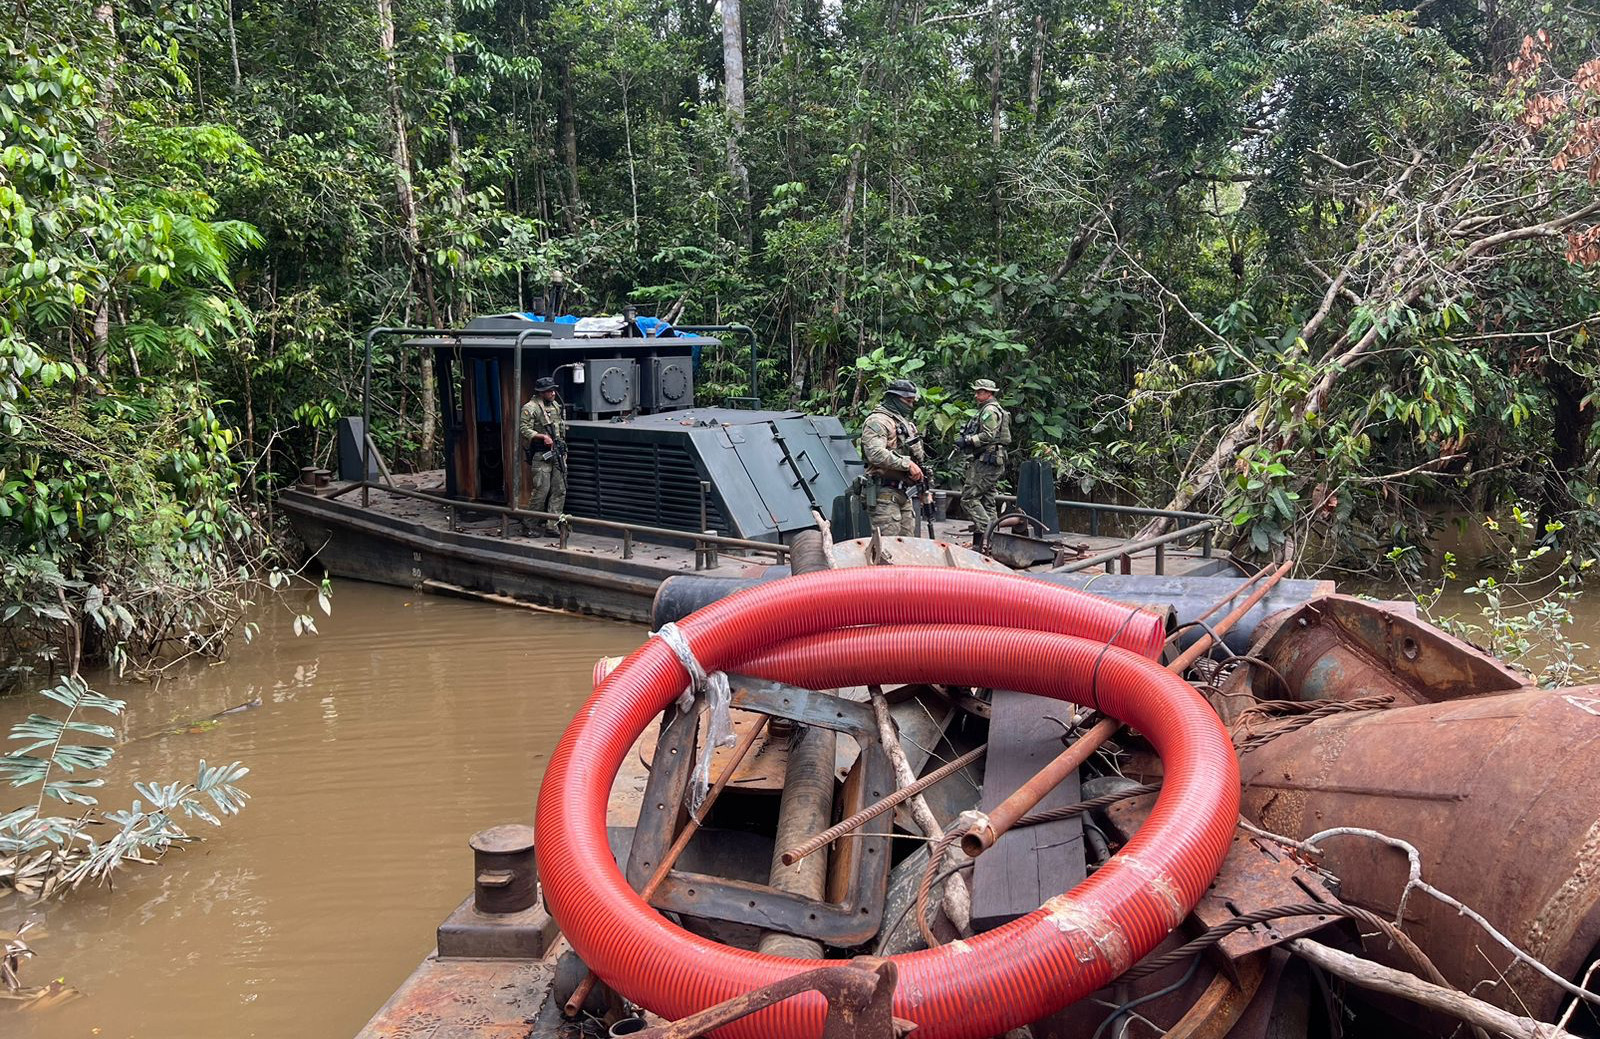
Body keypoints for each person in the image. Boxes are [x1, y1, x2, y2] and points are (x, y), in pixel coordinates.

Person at [859, 379, 929, 537]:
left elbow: (917, 457)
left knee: (907, 546)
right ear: (894, 398)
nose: (911, 405)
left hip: (904, 492)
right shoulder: (877, 421)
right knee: (887, 550)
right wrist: (907, 464)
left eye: (913, 401)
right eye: (908, 401)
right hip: (884, 495)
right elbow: (875, 454)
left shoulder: (905, 423)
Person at [958, 378, 1011, 547]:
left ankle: (986, 533)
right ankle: (993, 541)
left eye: (980, 392)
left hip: (987, 460)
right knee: (988, 500)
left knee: (968, 498)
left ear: (989, 393)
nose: (976, 395)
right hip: (991, 459)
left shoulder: (989, 411)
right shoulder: (990, 409)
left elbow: (988, 435)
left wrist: (968, 440)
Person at [519, 376, 567, 536]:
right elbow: (524, 429)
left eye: (553, 390)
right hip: (541, 454)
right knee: (541, 490)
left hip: (557, 453)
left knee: (560, 489)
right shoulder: (531, 407)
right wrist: (541, 436)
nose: (553, 393)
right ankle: (529, 525)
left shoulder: (555, 406)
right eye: (549, 391)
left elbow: (560, 428)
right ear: (541, 392)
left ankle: (552, 525)